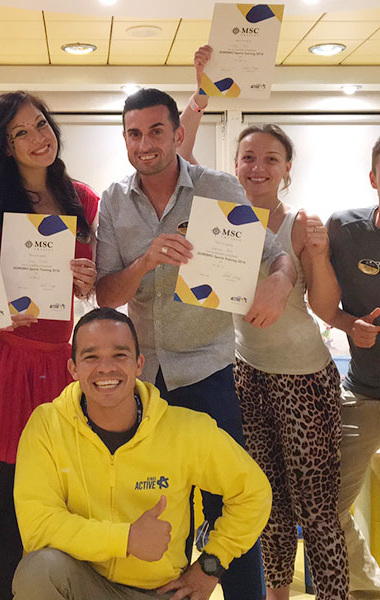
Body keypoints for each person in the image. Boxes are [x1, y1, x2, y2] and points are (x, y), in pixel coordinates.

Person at [95, 87, 295, 600]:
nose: (146, 144)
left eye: (157, 131)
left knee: (228, 502)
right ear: (124, 139)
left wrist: (276, 283)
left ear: (178, 133)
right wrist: (146, 261)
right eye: (134, 134)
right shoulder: (115, 200)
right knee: (156, 511)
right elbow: (107, 292)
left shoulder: (219, 187)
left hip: (207, 372)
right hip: (145, 383)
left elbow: (277, 256)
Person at [179, 47, 348, 600]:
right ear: (235, 166)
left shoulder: (302, 223)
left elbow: (325, 309)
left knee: (318, 507)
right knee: (264, 500)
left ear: (286, 168)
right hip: (246, 374)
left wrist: (317, 256)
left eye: (270, 159)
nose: (257, 167)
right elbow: (173, 152)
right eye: (248, 157)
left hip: (304, 377)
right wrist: (202, 93)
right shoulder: (217, 215)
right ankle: (276, 594)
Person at [0, 91, 99, 600]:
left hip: (54, 365)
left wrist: (87, 278)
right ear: (5, 147)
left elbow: (98, 281)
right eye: (21, 132)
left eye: (41, 124)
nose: (38, 137)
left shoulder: (83, 199)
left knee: (39, 501)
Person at [12, 307, 272, 600]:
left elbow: (254, 492)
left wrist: (211, 565)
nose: (106, 367)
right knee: (39, 571)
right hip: (83, 585)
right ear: (73, 369)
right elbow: (38, 527)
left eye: (120, 355)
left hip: (160, 592)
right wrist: (126, 539)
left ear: (139, 364)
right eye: (91, 357)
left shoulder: (185, 429)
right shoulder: (47, 425)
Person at [310, 136, 380, 599]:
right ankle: (368, 586)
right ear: (375, 178)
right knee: (327, 506)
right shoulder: (346, 228)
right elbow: (324, 304)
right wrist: (349, 325)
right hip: (365, 391)